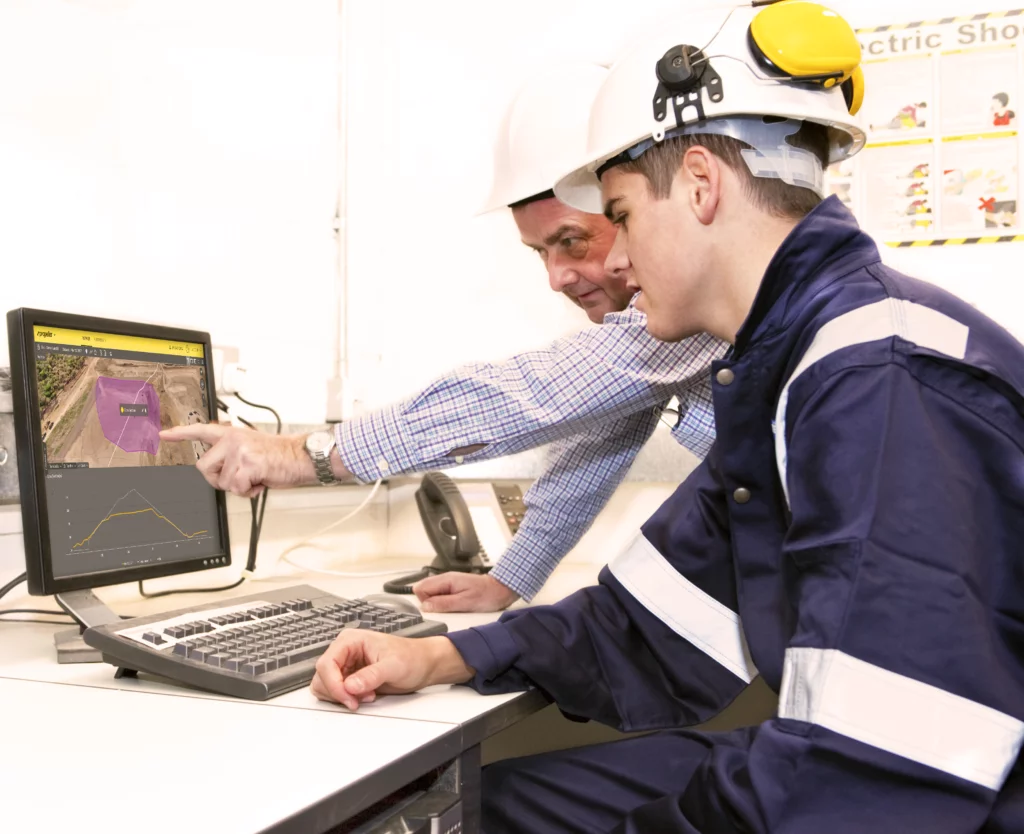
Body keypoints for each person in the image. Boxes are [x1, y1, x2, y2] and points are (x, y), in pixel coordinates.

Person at [307, 4, 1024, 832]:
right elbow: (644, 622)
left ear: (699, 185)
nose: (611, 260)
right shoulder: (791, 369)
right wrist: (444, 652)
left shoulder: (877, 380)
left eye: (618, 217)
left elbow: (875, 775)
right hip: (854, 770)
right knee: (477, 808)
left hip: (939, 799)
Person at [161, 63, 725, 613]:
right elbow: (601, 433)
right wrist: (511, 578)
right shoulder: (670, 331)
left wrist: (301, 455)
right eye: (540, 253)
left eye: (573, 241)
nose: (555, 278)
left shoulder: (710, 288)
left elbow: (529, 395)